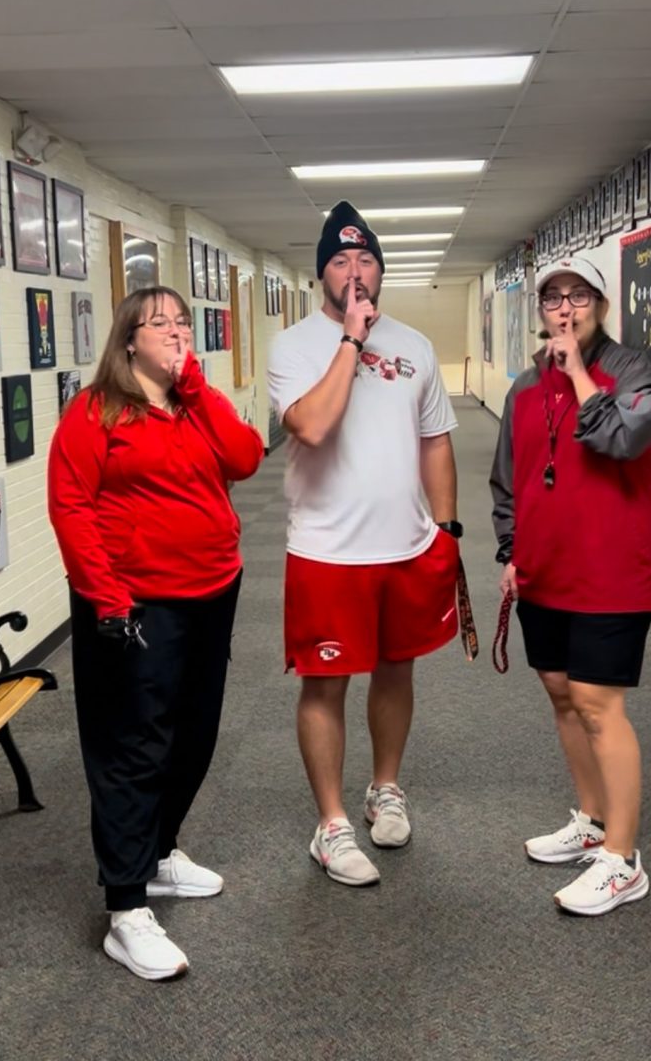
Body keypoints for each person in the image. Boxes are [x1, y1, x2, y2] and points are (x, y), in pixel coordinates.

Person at [48, 285, 264, 979]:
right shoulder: (94, 412)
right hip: (135, 603)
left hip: (212, 590)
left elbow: (245, 458)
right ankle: (126, 907)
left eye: (179, 321)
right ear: (128, 340)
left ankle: (161, 850)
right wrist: (107, 599)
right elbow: (71, 505)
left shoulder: (197, 404)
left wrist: (198, 388)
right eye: (156, 323)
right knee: (132, 745)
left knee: (194, 733)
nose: (173, 331)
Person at [267, 201, 461, 888]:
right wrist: (350, 340)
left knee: (396, 669)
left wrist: (445, 531)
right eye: (341, 261)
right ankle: (330, 824)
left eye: (366, 259)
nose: (355, 271)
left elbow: (435, 440)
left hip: (406, 547)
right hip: (325, 549)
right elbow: (312, 428)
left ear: (382, 269)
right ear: (322, 273)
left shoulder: (413, 346)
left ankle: (385, 788)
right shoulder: (293, 345)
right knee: (325, 685)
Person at [490, 256, 651, 916]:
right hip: (544, 569)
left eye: (577, 295)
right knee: (562, 696)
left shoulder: (636, 375)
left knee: (597, 702)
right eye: (551, 297)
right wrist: (511, 548)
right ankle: (592, 819)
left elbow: (619, 440)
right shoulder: (522, 389)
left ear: (599, 303)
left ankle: (621, 859)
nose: (563, 308)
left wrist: (575, 373)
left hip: (612, 569)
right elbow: (508, 475)